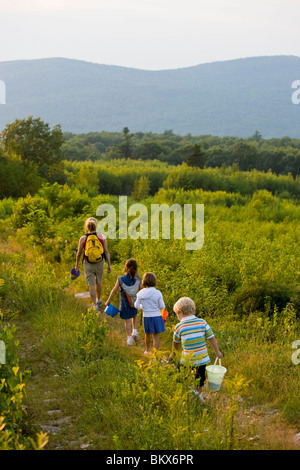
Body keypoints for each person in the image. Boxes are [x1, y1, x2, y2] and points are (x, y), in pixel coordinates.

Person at [168, 296, 222, 402]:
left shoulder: (179, 327)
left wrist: (173, 355)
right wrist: (217, 352)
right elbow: (212, 338)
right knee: (200, 377)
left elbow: (175, 344)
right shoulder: (202, 322)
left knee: (181, 373)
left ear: (180, 312)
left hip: (187, 359)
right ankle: (199, 394)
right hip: (202, 359)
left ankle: (186, 392)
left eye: (176, 314)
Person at [75, 217, 111, 311]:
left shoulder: (83, 238)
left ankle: (95, 305)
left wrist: (77, 264)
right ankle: (98, 299)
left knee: (91, 284)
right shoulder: (102, 237)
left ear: (87, 227)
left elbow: (79, 253)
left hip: (88, 263)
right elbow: (106, 252)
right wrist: (109, 265)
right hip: (100, 262)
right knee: (98, 282)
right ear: (96, 226)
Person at [105, 258, 141, 346]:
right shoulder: (138, 278)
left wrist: (108, 300)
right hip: (134, 302)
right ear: (136, 268)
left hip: (125, 304)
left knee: (127, 320)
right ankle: (135, 331)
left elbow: (114, 290)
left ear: (126, 267)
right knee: (134, 315)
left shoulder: (121, 279)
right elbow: (141, 289)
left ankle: (129, 338)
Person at [134, 272, 166, 355]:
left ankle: (147, 351)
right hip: (156, 316)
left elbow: (136, 305)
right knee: (155, 336)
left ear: (144, 281)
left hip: (146, 317)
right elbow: (162, 306)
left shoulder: (140, 293)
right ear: (154, 281)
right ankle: (155, 353)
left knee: (147, 334)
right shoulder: (158, 293)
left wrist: (142, 307)